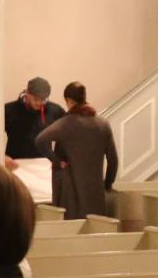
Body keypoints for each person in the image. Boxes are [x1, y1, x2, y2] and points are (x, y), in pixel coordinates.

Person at [33, 81, 118, 220]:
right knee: (96, 233)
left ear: (69, 100)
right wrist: (107, 184)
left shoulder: (66, 124)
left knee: (71, 234)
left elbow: (40, 140)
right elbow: (113, 160)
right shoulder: (103, 124)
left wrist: (57, 161)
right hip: (95, 195)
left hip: (69, 196)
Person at [1, 76, 63, 203]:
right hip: (17, 165)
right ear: (27, 93)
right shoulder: (9, 110)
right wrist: (2, 157)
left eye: (43, 100)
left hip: (44, 168)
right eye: (36, 99)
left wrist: (58, 158)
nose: (39, 103)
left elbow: (67, 135)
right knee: (18, 201)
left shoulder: (54, 110)